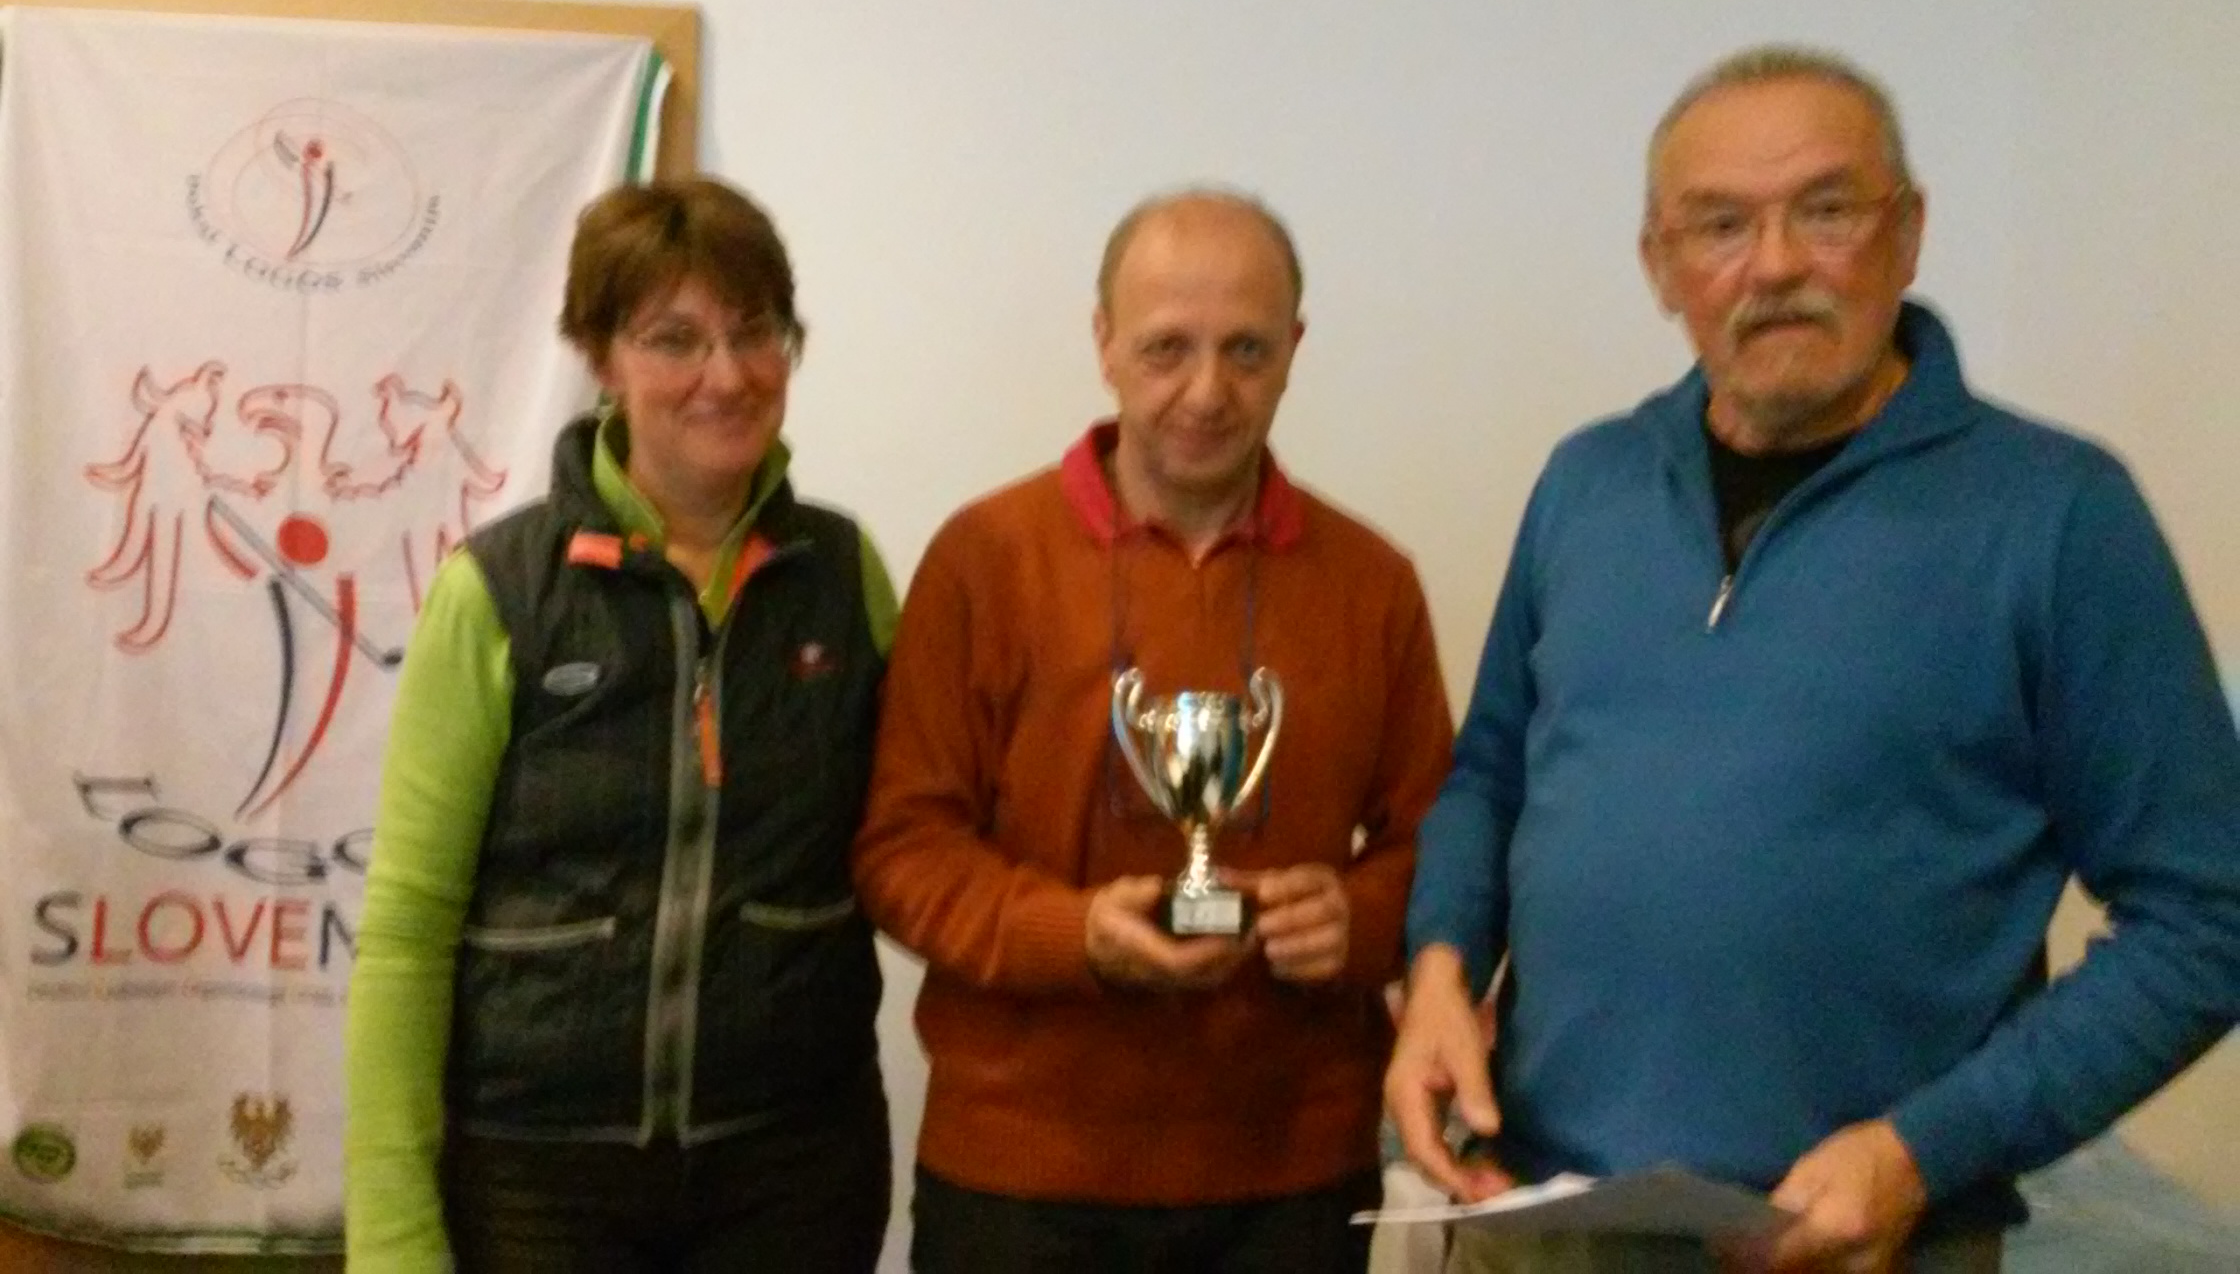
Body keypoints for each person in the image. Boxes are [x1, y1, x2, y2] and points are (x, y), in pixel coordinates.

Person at [1388, 44, 2240, 1274]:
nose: (1775, 263)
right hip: (1535, 1216)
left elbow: (2208, 916)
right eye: (1719, 224)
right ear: (1659, 265)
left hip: (1852, 1242)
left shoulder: (2055, 516)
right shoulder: (1586, 484)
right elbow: (1491, 775)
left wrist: (1921, 1151)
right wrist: (1437, 969)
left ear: (1907, 234)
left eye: (1826, 211)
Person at [853, 188, 1455, 1272]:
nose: (1207, 391)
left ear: (1294, 350)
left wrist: (1358, 921)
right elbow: (902, 850)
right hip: (1019, 1179)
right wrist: (1073, 934)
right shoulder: (985, 559)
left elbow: (1442, 845)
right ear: (1104, 343)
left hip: (1293, 1177)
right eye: (1167, 347)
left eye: (1246, 349)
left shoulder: (1372, 584)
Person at [345, 177, 895, 1272]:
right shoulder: (500, 590)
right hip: (538, 1176)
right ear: (601, 356)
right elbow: (407, 930)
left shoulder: (844, 578)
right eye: (674, 338)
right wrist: (392, 1240)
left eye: (756, 331)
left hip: (793, 1170)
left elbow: (915, 841)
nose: (726, 375)